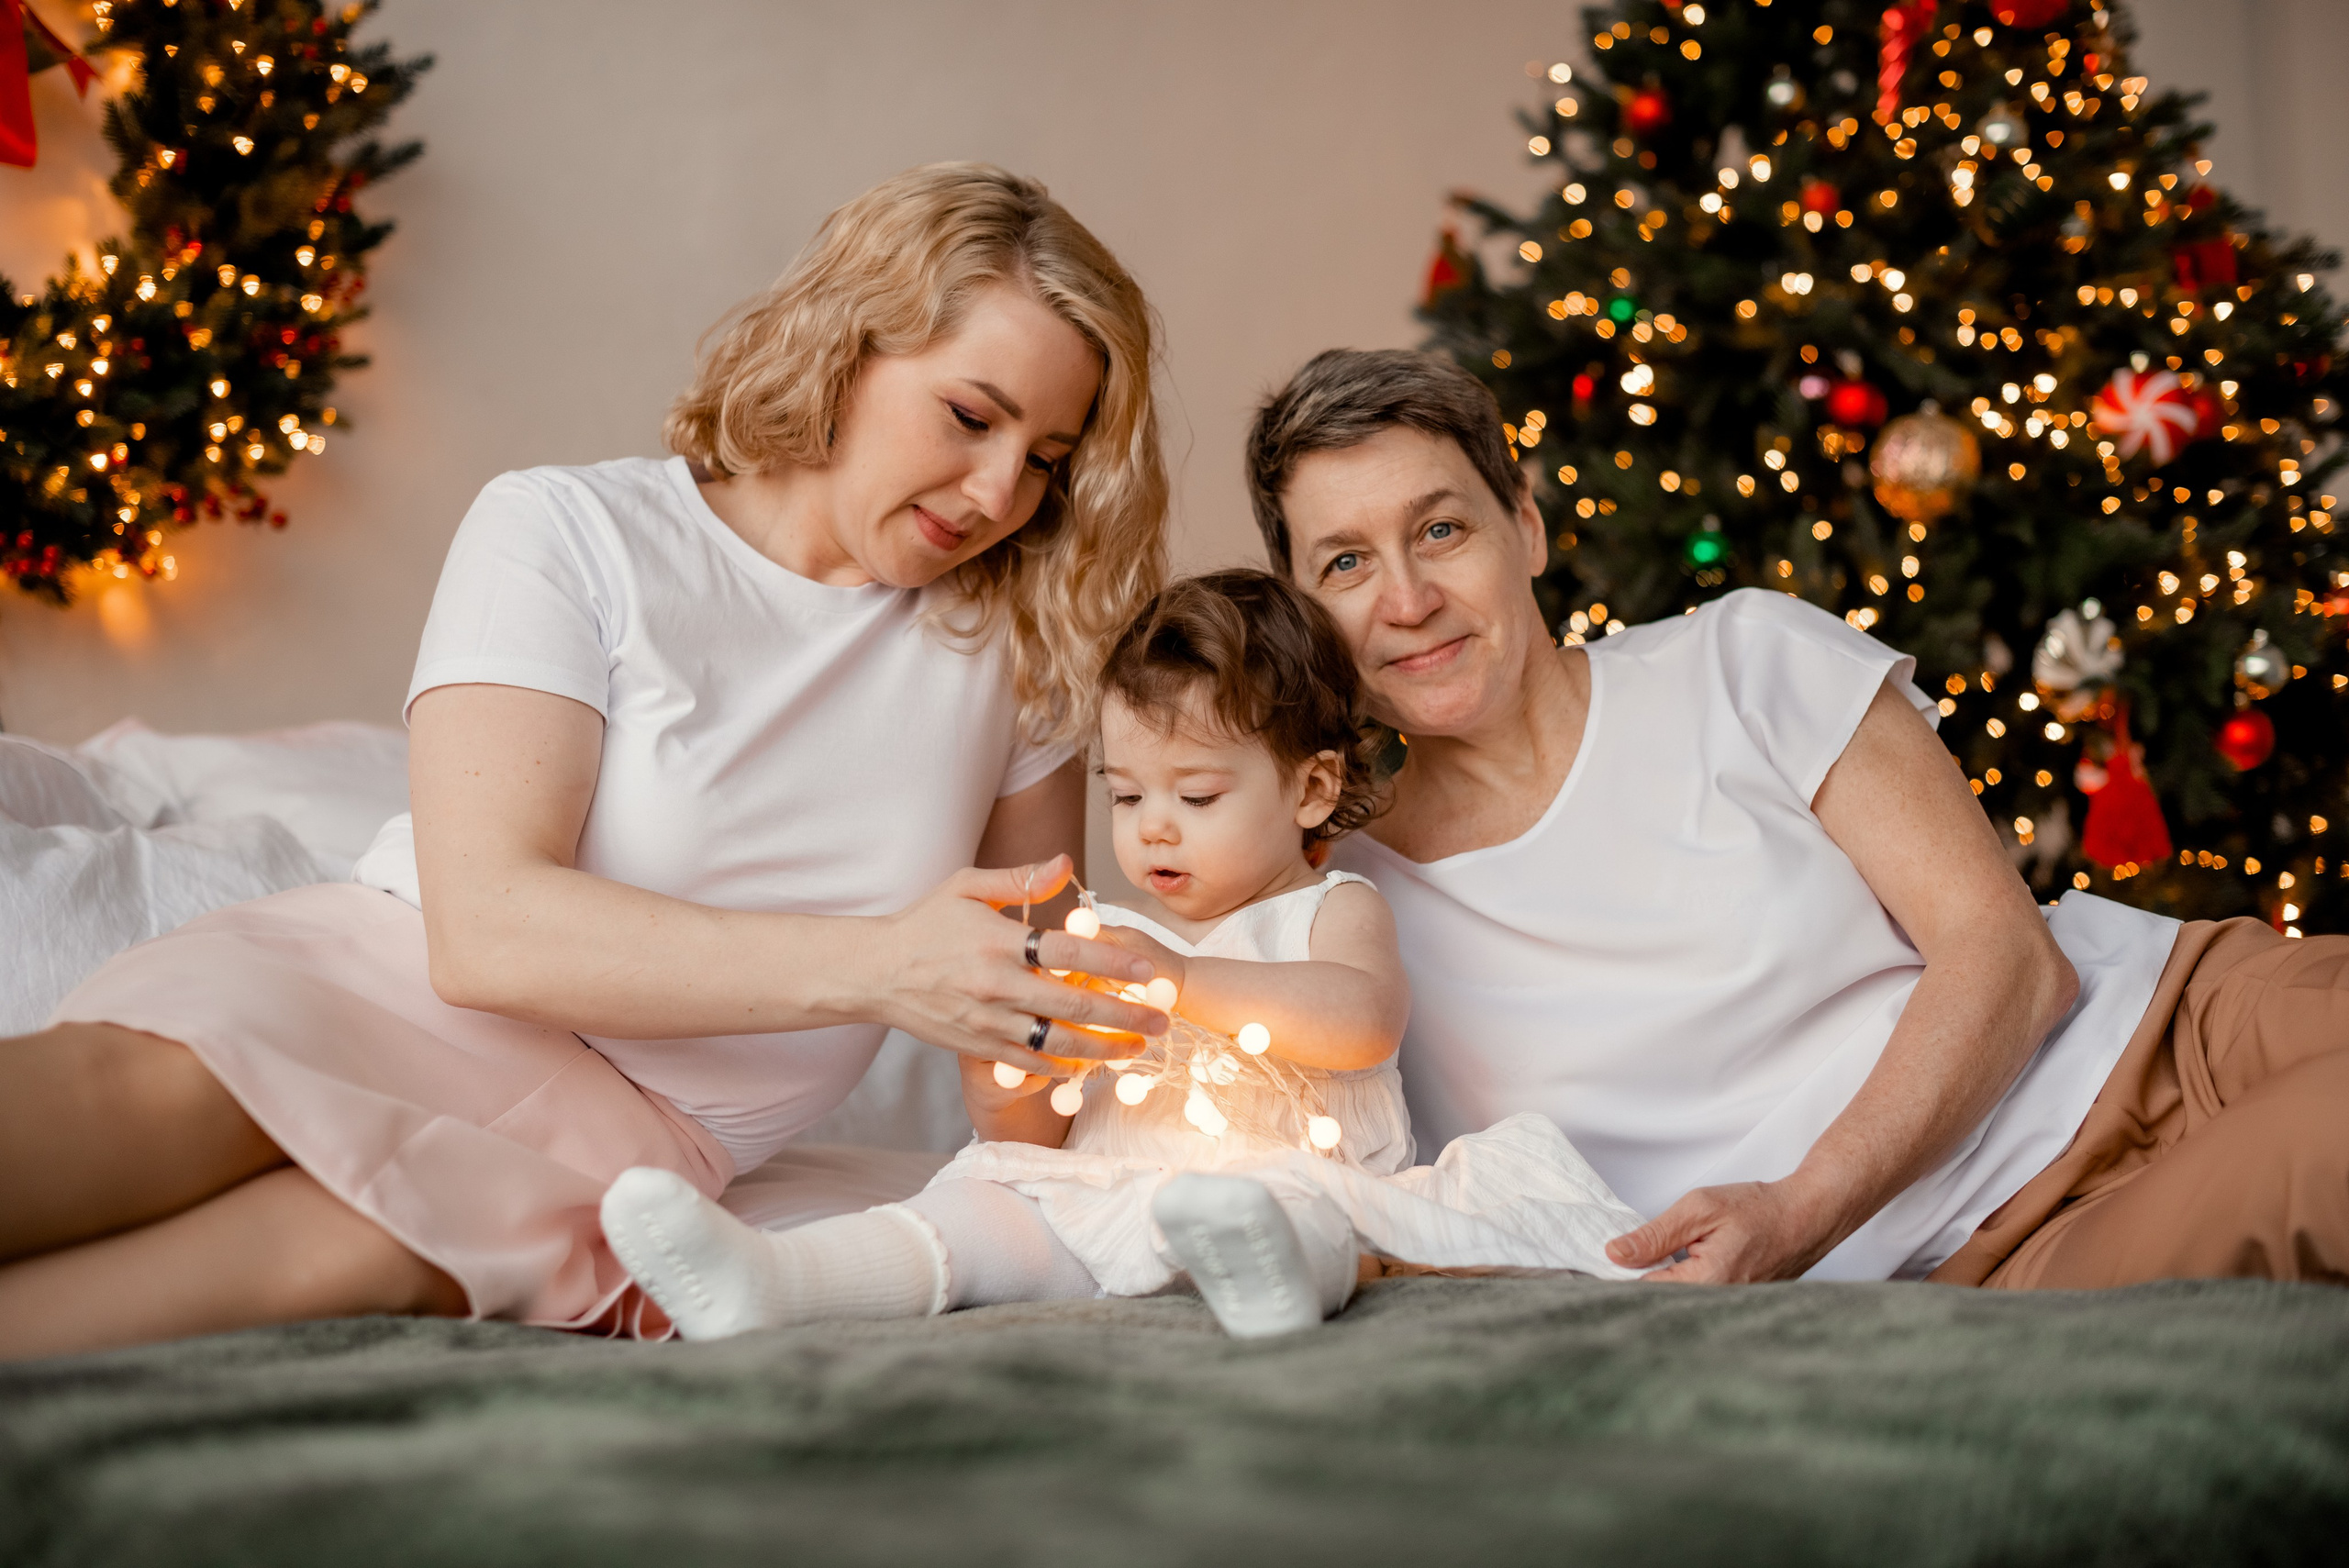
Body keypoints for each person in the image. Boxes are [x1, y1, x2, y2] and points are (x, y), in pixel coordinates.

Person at [0, 164, 1176, 1360]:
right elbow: (487, 929)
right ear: (847, 347)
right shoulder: (570, 531)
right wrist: (885, 966)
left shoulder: (1018, 656)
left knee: (326, 1258)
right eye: (973, 418)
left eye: (1047, 458)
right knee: (155, 1095)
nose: (998, 493)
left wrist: (1105, 1077)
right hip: (378, 984)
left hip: (633, 1148)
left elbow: (1027, 1026)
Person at [1245, 347, 2349, 1289]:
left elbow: (2011, 957)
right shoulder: (1349, 914)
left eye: (1440, 529)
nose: (1405, 598)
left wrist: (1800, 1205)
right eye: (1346, 562)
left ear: (1524, 529)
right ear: (1302, 612)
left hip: (2184, 1014)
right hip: (2006, 1247)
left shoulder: (1741, 656)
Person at [598, 571, 1643, 1340]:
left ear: (1311, 790)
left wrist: (1183, 982)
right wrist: (1006, 1061)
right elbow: (1036, 1131)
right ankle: (778, 1279)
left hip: (1291, 1186)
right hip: (1109, 1203)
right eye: (1128, 794)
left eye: (1195, 796)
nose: (1152, 829)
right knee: (982, 1206)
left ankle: (1272, 1283)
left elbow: (1362, 1017)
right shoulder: (1109, 938)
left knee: (1288, 1208)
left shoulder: (1330, 907)